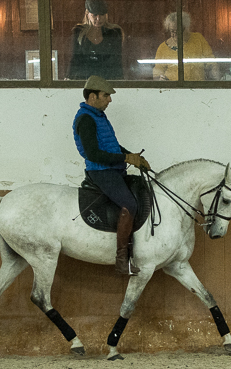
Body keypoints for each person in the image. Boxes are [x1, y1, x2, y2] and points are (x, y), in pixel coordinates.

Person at [73, 75, 151, 276]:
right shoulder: (86, 119)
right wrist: (126, 158)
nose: (110, 100)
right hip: (100, 171)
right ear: (92, 96)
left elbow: (111, 146)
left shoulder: (98, 116)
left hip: (112, 169)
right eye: (106, 95)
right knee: (130, 204)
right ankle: (121, 260)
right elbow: (93, 154)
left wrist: (133, 157)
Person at [152, 12, 220, 81]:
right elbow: (157, 73)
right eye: (172, 31)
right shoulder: (163, 47)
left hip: (197, 87)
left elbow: (211, 62)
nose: (175, 35)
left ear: (186, 28)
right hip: (173, 89)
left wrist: (215, 79)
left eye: (179, 31)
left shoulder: (198, 39)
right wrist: (160, 79)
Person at [67, 0, 124, 80]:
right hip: (84, 81)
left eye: (102, 15)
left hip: (107, 81)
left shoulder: (114, 32)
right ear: (87, 14)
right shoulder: (78, 32)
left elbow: (117, 61)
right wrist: (69, 78)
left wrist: (119, 82)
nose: (98, 18)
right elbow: (75, 59)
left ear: (106, 15)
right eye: (95, 15)